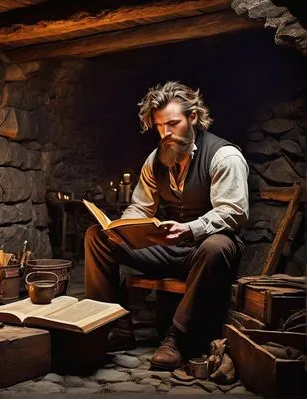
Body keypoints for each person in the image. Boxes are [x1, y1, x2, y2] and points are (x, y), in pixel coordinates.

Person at [84, 81, 249, 370]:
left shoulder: (225, 156)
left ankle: (178, 339)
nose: (166, 133)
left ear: (193, 118)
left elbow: (234, 212)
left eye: (173, 123)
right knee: (97, 236)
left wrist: (191, 228)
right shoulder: (156, 159)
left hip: (206, 251)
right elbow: (141, 205)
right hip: (168, 247)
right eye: (160, 126)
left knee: (217, 245)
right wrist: (122, 229)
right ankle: (111, 326)